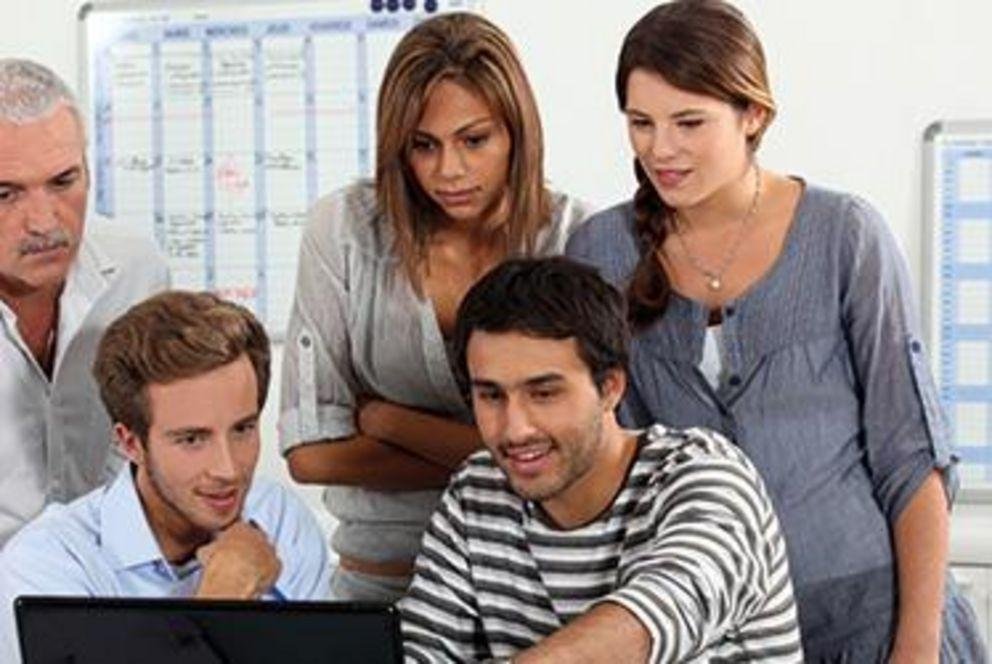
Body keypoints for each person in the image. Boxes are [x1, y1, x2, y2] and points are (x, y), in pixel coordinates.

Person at [564, 1, 985, 661]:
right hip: (713, 634)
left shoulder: (845, 235)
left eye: (688, 122)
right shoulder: (601, 251)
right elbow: (618, 465)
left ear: (753, 115)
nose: (660, 149)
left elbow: (911, 459)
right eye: (641, 123)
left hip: (874, 619)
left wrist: (917, 647)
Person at [279, 12, 590, 601]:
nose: (449, 171)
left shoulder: (576, 237)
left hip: (538, 593)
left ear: (516, 133)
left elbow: (584, 452)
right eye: (423, 145)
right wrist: (505, 458)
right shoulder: (343, 229)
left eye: (474, 140)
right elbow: (311, 455)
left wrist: (390, 421)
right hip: (379, 588)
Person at [399, 257, 802, 662]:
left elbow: (655, 618)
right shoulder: (476, 492)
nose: (515, 428)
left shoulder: (707, 475)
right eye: (491, 395)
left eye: (544, 393)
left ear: (610, 387)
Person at [0, 291, 331, 663]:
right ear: (130, 443)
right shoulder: (48, 565)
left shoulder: (281, 518)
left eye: (243, 429)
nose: (227, 469)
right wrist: (223, 600)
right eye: (192, 439)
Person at [0, 58, 169, 545]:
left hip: (103, 586)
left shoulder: (137, 270)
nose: (43, 222)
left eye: (63, 182)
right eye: (6, 194)